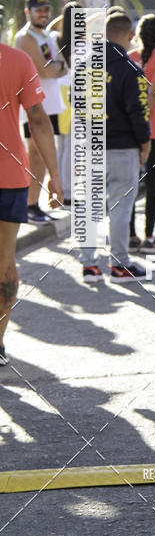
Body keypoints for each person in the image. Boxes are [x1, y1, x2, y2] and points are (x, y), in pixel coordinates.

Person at [0, 42, 64, 364]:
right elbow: (37, 119)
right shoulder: (17, 60)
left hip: (11, 177)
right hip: (9, 176)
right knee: (4, 264)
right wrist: (55, 176)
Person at [79, 12, 151, 283]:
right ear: (130, 35)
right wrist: (145, 144)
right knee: (120, 208)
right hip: (123, 147)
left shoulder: (84, 66)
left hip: (91, 146)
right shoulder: (130, 69)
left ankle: (89, 265)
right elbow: (139, 112)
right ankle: (120, 264)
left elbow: (77, 107)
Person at [14, 0, 67, 223]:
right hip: (33, 106)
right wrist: (57, 67)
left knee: (44, 156)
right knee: (35, 156)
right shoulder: (25, 38)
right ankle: (29, 205)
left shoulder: (46, 36)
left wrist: (56, 67)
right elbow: (46, 70)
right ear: (28, 12)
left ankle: (34, 204)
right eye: (38, 10)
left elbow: (61, 67)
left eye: (46, 9)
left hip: (50, 105)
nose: (44, 14)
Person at [129, 15, 155, 254]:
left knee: (130, 184)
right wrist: (144, 125)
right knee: (153, 185)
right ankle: (149, 237)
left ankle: (131, 236)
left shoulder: (129, 57)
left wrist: (136, 125)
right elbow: (153, 95)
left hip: (131, 130)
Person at [48, 0, 83, 207]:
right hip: (75, 94)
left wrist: (63, 17)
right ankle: (68, 193)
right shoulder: (84, 45)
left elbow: (50, 28)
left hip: (57, 95)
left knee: (61, 146)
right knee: (71, 147)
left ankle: (61, 191)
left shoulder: (53, 40)